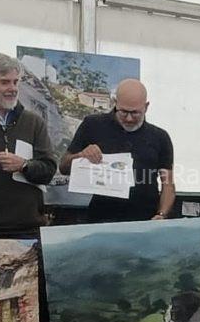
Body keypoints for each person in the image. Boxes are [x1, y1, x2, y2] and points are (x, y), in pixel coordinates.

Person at [0, 52, 57, 238]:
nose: (12, 88)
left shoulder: (34, 122)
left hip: (28, 229)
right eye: (5, 82)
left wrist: (24, 165)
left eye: (16, 82)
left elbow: (49, 169)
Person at [59, 79, 175, 223]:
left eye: (135, 113)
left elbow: (168, 184)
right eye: (124, 112)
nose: (129, 118)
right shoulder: (93, 125)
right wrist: (81, 156)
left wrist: (162, 214)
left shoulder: (160, 137)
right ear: (115, 103)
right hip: (101, 218)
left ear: (146, 107)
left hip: (145, 220)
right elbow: (63, 167)